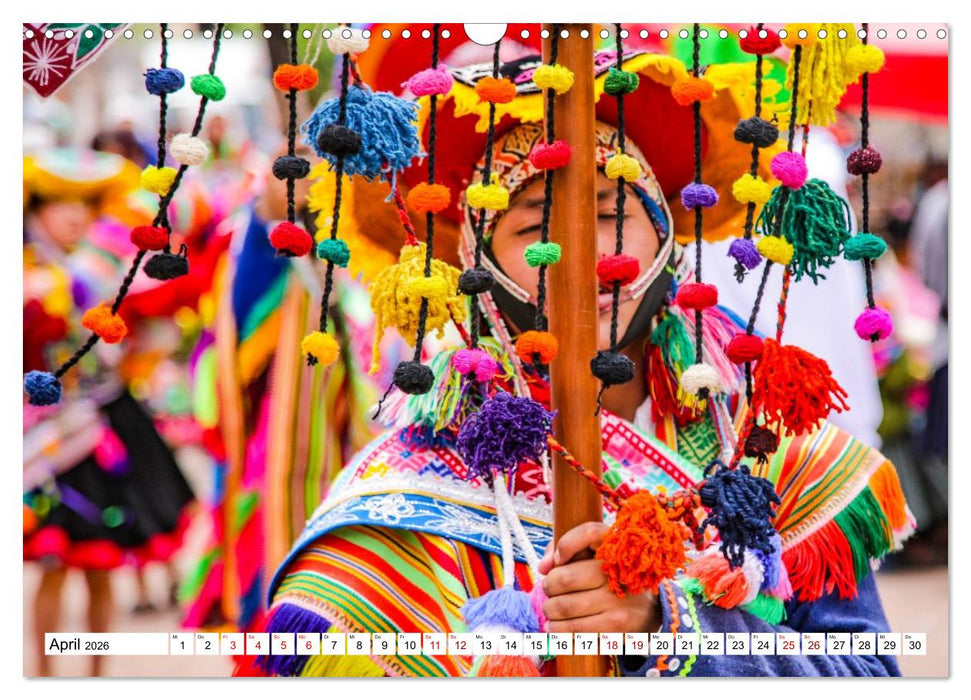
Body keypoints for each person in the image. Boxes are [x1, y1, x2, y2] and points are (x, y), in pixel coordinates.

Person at [246, 46, 912, 678]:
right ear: (475, 267)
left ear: (667, 237)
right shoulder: (406, 487)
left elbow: (864, 671)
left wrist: (671, 629)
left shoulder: (769, 448)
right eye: (534, 227)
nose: (586, 255)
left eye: (611, 210)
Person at [23, 149, 195, 675]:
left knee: (101, 567)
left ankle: (96, 676)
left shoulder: (108, 271)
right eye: (60, 203)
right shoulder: (27, 275)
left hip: (105, 428)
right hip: (44, 437)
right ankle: (44, 676)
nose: (74, 214)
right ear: (34, 209)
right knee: (54, 565)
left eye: (85, 204)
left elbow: (154, 325)